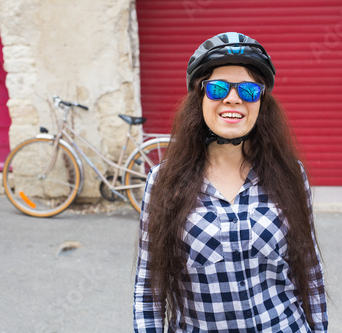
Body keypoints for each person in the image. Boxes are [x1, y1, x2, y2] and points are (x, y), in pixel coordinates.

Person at [133, 32, 328, 332]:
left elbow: (309, 271)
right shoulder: (163, 182)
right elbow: (150, 291)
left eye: (249, 90)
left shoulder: (289, 174)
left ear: (261, 101)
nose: (233, 98)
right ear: (199, 97)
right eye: (218, 88)